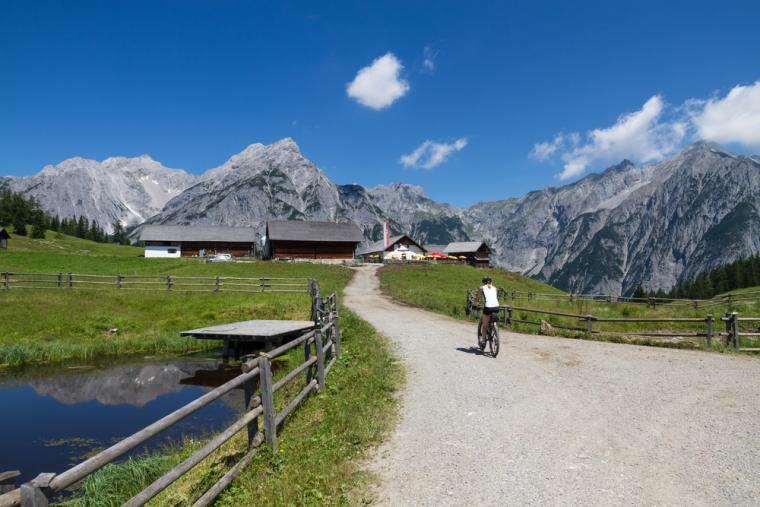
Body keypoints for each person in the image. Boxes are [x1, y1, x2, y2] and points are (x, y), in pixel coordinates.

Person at [478, 276, 500, 340]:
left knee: (485, 326)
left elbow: (477, 298)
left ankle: (483, 341)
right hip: (496, 307)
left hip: (488, 307)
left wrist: (476, 303)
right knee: (492, 319)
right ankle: (494, 328)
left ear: (483, 283)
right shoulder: (495, 288)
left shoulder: (481, 288)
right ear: (491, 282)